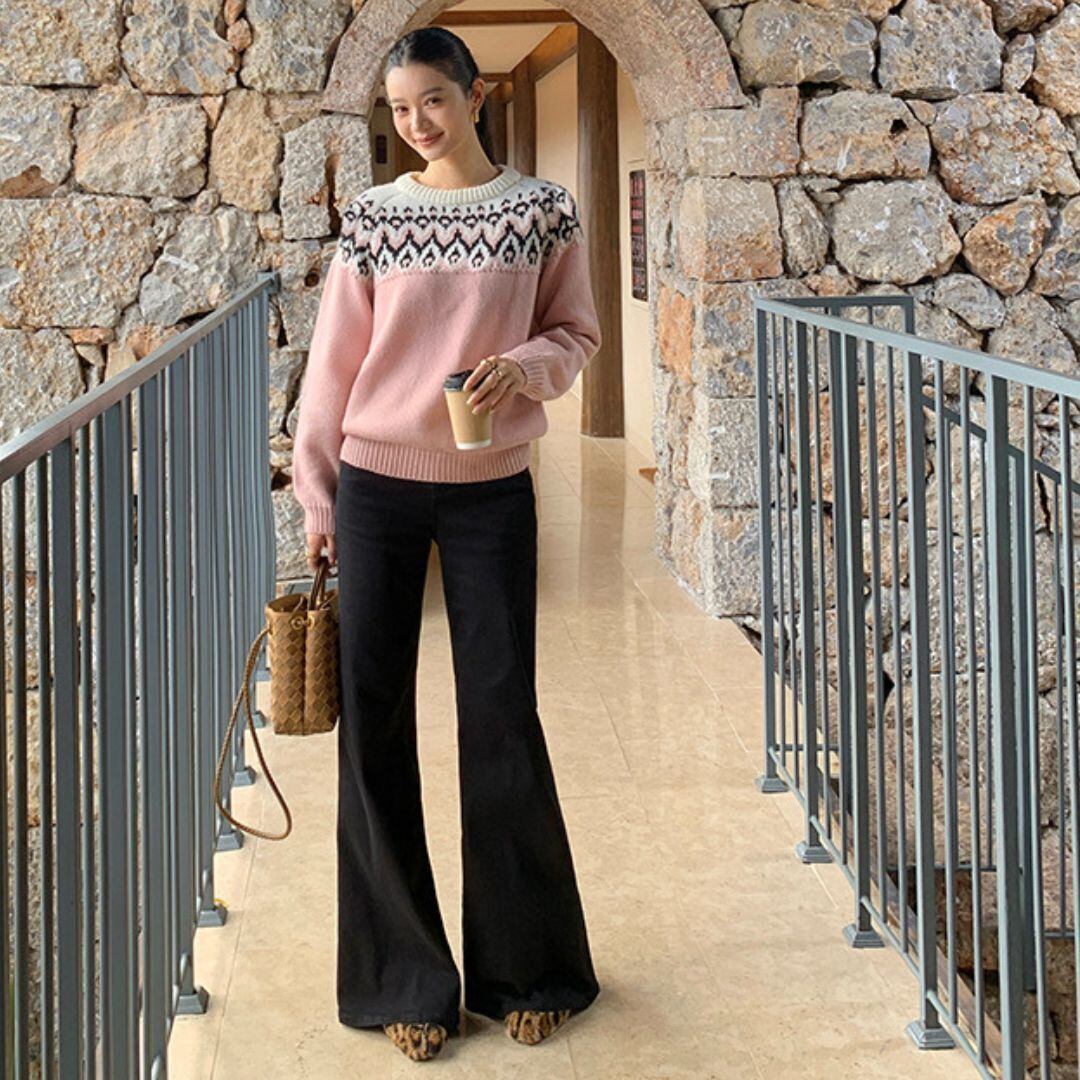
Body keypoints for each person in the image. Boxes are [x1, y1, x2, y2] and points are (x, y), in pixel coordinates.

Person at [290, 25, 603, 1064]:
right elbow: (333, 369)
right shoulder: (374, 218)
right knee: (373, 722)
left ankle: (529, 970)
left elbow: (577, 333)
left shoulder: (542, 210)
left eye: (433, 98)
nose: (418, 122)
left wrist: (526, 367)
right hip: (376, 488)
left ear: (473, 96)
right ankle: (404, 981)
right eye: (400, 108)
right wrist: (321, 499)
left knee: (502, 714)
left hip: (491, 492)